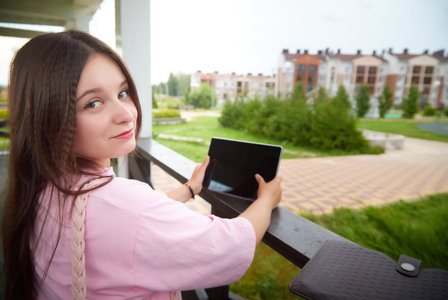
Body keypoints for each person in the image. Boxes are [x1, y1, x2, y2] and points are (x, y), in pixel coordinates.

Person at [2, 30, 282, 300]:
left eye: (123, 92)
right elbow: (229, 246)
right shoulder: (127, 207)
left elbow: (124, 220)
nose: (126, 114)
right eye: (94, 103)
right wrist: (266, 200)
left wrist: (189, 189)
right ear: (48, 121)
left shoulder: (42, 187)